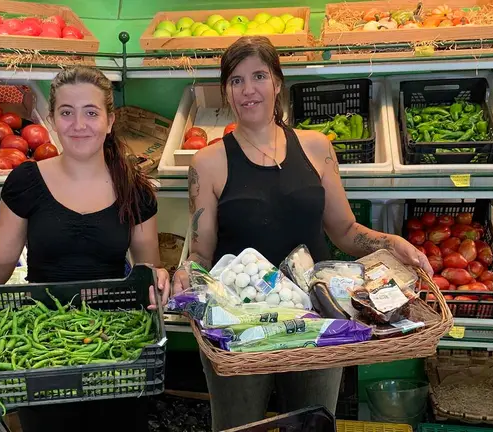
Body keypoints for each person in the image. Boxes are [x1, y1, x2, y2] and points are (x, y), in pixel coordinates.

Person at [173, 36, 433, 431]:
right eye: (236, 80)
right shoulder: (207, 163)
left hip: (316, 319)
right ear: (226, 90)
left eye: (259, 76)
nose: (248, 90)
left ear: (278, 83)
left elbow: (345, 231)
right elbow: (201, 253)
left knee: (312, 421)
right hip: (242, 328)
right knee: (236, 424)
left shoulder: (316, 147)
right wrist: (185, 275)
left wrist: (389, 242)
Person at [0, 66, 170, 432]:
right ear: (54, 120)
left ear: (109, 121)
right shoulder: (25, 181)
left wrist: (160, 278)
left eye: (91, 112)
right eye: (67, 112)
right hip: (41, 355)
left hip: (115, 351)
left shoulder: (134, 189)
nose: (79, 124)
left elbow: (147, 269)